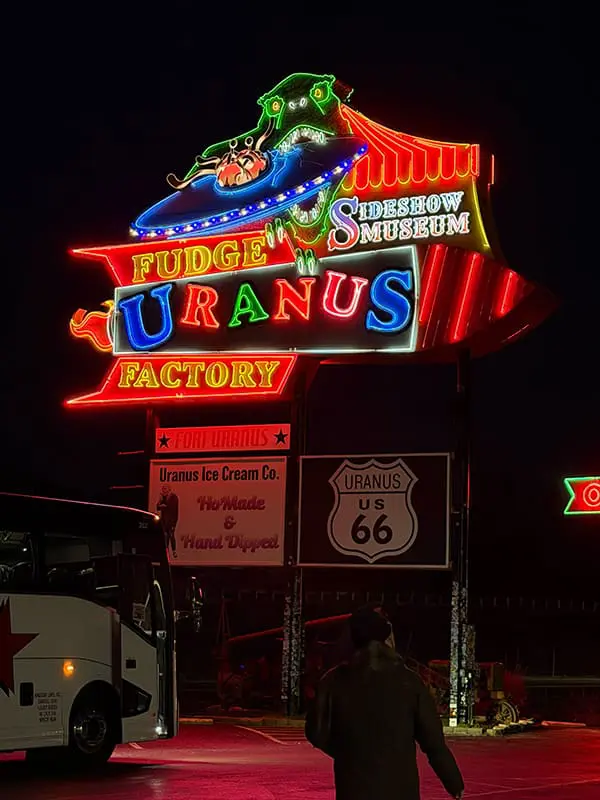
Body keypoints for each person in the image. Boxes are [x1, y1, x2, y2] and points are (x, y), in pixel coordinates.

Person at [305, 606, 464, 800]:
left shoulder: (333, 681)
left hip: (354, 789)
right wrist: (453, 782)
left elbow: (315, 732)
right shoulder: (409, 681)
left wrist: (348, 753)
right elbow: (433, 742)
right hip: (401, 789)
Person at [157, 484, 178, 558]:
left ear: (169, 489)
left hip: (171, 521)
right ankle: (166, 552)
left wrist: (163, 504)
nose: (163, 490)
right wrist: (160, 501)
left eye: (165, 488)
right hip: (164, 521)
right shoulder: (163, 498)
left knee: (171, 536)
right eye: (163, 489)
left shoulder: (174, 497)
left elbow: (171, 508)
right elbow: (158, 507)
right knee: (165, 537)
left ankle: (174, 551)